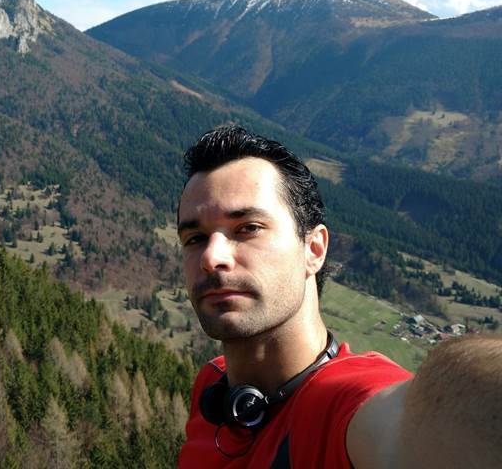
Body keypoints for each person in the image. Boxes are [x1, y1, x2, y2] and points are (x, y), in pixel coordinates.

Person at [176, 124, 502, 468]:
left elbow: (423, 424)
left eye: (248, 228)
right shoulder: (213, 386)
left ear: (313, 249)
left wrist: (459, 372)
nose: (212, 257)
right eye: (195, 238)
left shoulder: (347, 404)